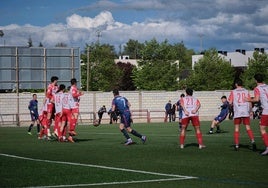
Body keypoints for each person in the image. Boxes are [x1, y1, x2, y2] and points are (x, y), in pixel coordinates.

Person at [228, 78, 256, 151]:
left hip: (238, 112)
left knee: (237, 129)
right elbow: (250, 102)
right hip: (245, 111)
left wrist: (231, 108)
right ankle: (253, 141)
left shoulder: (233, 92)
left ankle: (237, 145)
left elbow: (230, 102)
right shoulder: (246, 91)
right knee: (248, 128)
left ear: (236, 84)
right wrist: (250, 111)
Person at [246, 74, 268, 155]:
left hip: (266, 111)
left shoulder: (257, 88)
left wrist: (248, 99)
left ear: (256, 80)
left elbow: (256, 99)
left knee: (262, 129)